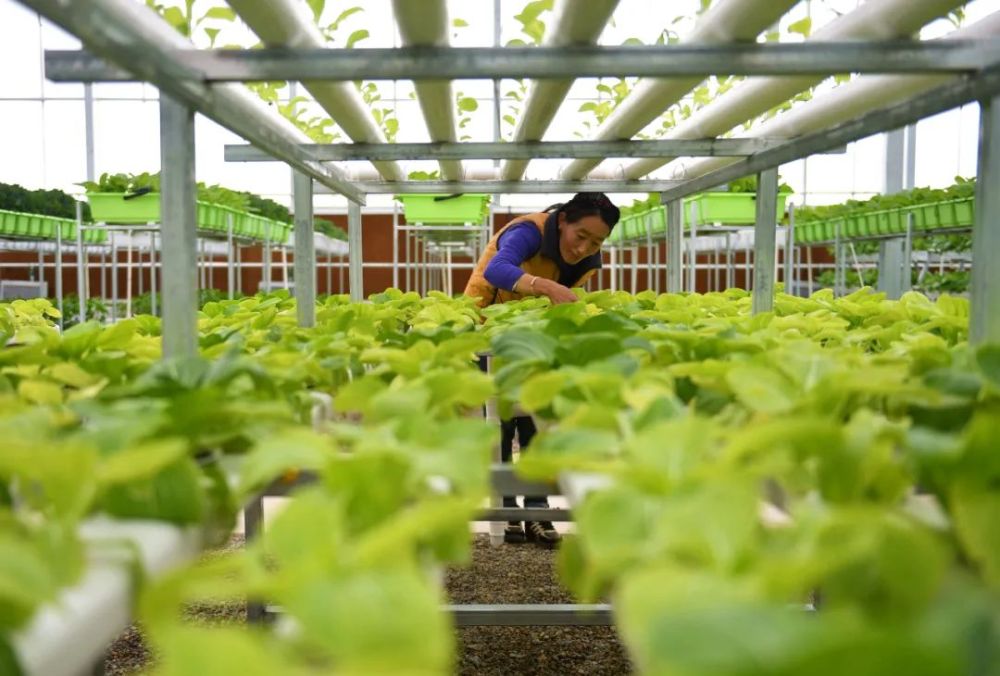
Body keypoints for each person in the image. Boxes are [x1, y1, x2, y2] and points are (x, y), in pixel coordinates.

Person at [465, 192, 620, 546]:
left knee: (535, 417)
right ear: (562, 220)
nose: (584, 248)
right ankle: (507, 507)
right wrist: (545, 286)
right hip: (488, 329)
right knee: (501, 419)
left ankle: (537, 507)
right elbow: (496, 269)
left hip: (536, 336)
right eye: (581, 236)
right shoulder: (528, 232)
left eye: (596, 242)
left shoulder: (588, 258)